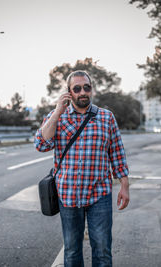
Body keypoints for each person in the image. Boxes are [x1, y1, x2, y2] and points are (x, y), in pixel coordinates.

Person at [34, 70, 129, 267]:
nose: (82, 92)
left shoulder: (106, 117)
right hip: (68, 195)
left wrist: (124, 186)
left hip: (99, 194)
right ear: (69, 92)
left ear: (91, 89)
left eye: (86, 87)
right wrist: (58, 111)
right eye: (77, 88)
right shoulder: (58, 116)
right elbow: (41, 144)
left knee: (102, 249)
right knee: (72, 250)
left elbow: (117, 153)